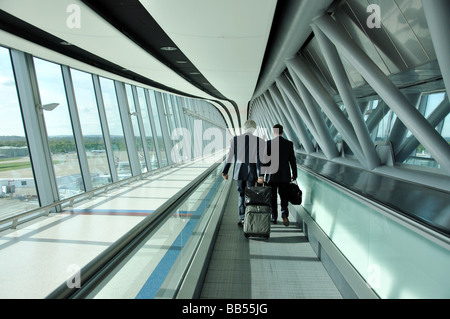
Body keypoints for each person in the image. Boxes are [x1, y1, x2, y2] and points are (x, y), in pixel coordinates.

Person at [222, 120, 265, 226]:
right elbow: (259, 159)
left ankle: (242, 218)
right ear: (254, 129)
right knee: (250, 195)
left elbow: (229, 157)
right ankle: (250, 217)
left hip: (239, 172)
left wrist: (225, 171)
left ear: (244, 128)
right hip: (252, 173)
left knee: (241, 194)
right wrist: (261, 175)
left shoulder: (236, 140)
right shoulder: (258, 140)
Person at [265, 124, 297, 226]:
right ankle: (284, 215)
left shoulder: (268, 144)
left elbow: (265, 161)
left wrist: (261, 175)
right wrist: (294, 173)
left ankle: (274, 217)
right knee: (284, 196)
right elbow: (292, 160)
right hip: (285, 175)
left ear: (273, 132)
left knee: (272, 197)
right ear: (282, 132)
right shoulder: (289, 144)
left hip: (271, 175)